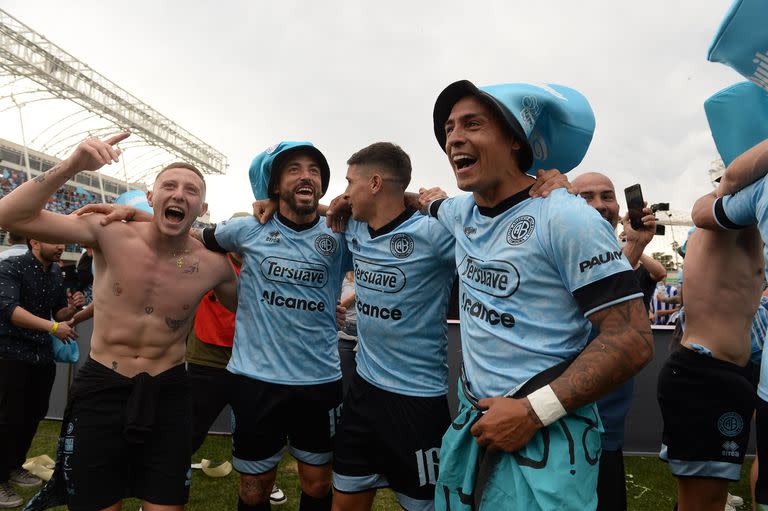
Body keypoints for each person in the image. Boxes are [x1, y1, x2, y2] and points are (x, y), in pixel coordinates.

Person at [425, 80, 653, 510]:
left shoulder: (566, 217)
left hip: (546, 437)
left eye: (473, 124)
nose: (454, 137)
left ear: (514, 139)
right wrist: (337, 204)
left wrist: (533, 412)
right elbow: (424, 201)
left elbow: (633, 339)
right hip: (476, 424)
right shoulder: (461, 211)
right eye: (449, 128)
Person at [0, 133, 238, 511]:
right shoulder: (109, 231)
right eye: (169, 186)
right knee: (97, 502)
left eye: (190, 190)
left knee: (165, 504)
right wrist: (73, 164)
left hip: (169, 390)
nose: (179, 194)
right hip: (102, 387)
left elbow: (251, 305)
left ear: (202, 206)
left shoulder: (213, 266)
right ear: (151, 196)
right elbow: (9, 215)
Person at [196, 142, 350, 511]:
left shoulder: (341, 235)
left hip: (319, 381)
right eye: (294, 169)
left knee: (318, 483)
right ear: (275, 186)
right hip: (255, 382)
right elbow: (193, 237)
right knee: (254, 487)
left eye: (314, 170)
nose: (306, 175)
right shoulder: (247, 229)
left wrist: (332, 209)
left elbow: (388, 210)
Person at [571, 172, 665, 511]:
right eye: (586, 197)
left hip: (608, 427)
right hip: (565, 427)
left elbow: (615, 289)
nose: (599, 205)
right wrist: (635, 248)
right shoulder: (557, 249)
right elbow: (582, 313)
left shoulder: (620, 255)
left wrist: (636, 245)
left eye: (607, 196)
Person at [690, 138, 768, 511]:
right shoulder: (737, 206)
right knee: (704, 494)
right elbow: (719, 193)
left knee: (716, 485)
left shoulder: (745, 207)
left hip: (732, 370)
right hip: (707, 370)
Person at [0, 239, 83, 509]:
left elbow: (59, 311)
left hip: (41, 357)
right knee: (7, 418)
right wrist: (51, 327)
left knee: (32, 415)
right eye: (55, 240)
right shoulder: (12, 267)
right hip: (11, 356)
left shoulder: (56, 272)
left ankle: (13, 467)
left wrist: (72, 308)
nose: (61, 246)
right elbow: (10, 311)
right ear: (34, 241)